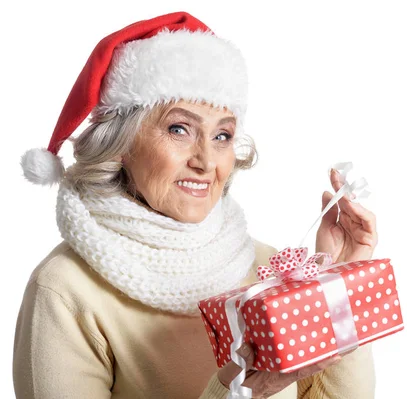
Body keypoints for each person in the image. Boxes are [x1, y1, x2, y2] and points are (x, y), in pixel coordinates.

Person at [13, 11, 378, 399]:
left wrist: (340, 282)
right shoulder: (64, 291)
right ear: (120, 144)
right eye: (178, 129)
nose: (206, 161)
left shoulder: (267, 270)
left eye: (222, 135)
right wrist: (238, 391)